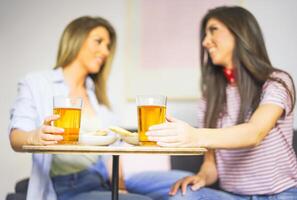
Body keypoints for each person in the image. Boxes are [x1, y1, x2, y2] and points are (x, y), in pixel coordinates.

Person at [9, 16, 190, 200]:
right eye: (99, 42)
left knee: (184, 182)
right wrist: (35, 137)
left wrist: (120, 190)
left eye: (108, 46)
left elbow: (113, 150)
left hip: (101, 177)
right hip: (68, 186)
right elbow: (16, 137)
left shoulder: (97, 95)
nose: (105, 51)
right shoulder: (37, 83)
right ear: (76, 39)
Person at [146, 6, 297, 200]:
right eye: (205, 34)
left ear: (239, 32)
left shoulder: (276, 82)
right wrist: (200, 177)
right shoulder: (210, 96)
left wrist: (194, 136)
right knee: (183, 195)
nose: (205, 42)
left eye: (213, 30)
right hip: (234, 196)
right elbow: (211, 165)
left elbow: (255, 132)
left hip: (281, 194)